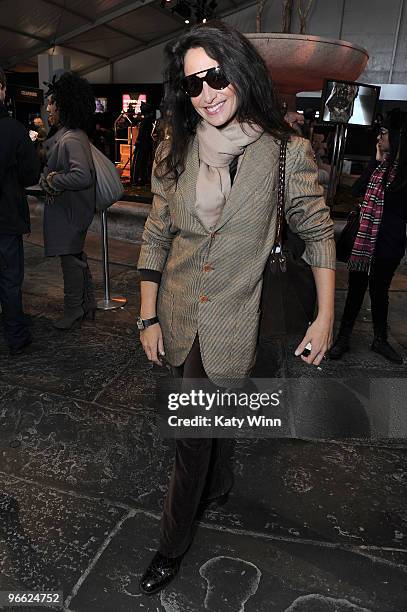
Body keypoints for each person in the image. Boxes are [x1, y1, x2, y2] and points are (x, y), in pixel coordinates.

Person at [137, 22, 336, 595]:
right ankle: (218, 484)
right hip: (175, 313)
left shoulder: (284, 153)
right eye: (193, 84)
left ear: (241, 74)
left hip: (232, 319)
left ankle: (170, 546)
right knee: (209, 418)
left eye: (217, 76)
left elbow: (319, 234)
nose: (208, 93)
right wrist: (147, 314)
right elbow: (157, 232)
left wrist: (323, 318)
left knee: (190, 435)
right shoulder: (176, 144)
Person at [330, 113, 407, 364]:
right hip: (364, 243)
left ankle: (380, 340)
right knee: (355, 289)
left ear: (396, 139)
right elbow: (356, 190)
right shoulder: (380, 167)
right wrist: (375, 162)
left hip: (388, 245)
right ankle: (343, 338)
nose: (378, 137)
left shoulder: (403, 174)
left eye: (383, 133)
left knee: (380, 291)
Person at [40, 72, 96, 329]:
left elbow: (81, 175)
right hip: (73, 212)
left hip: (69, 214)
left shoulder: (71, 138)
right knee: (75, 258)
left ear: (65, 105)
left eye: (53, 103)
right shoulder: (73, 134)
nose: (49, 107)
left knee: (70, 262)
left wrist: (53, 180)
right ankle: (86, 304)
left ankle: (73, 309)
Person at [0, 67, 40, 355]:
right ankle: (16, 335)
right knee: (10, 280)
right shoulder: (13, 129)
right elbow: (30, 175)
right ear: (2, 89)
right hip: (6, 218)